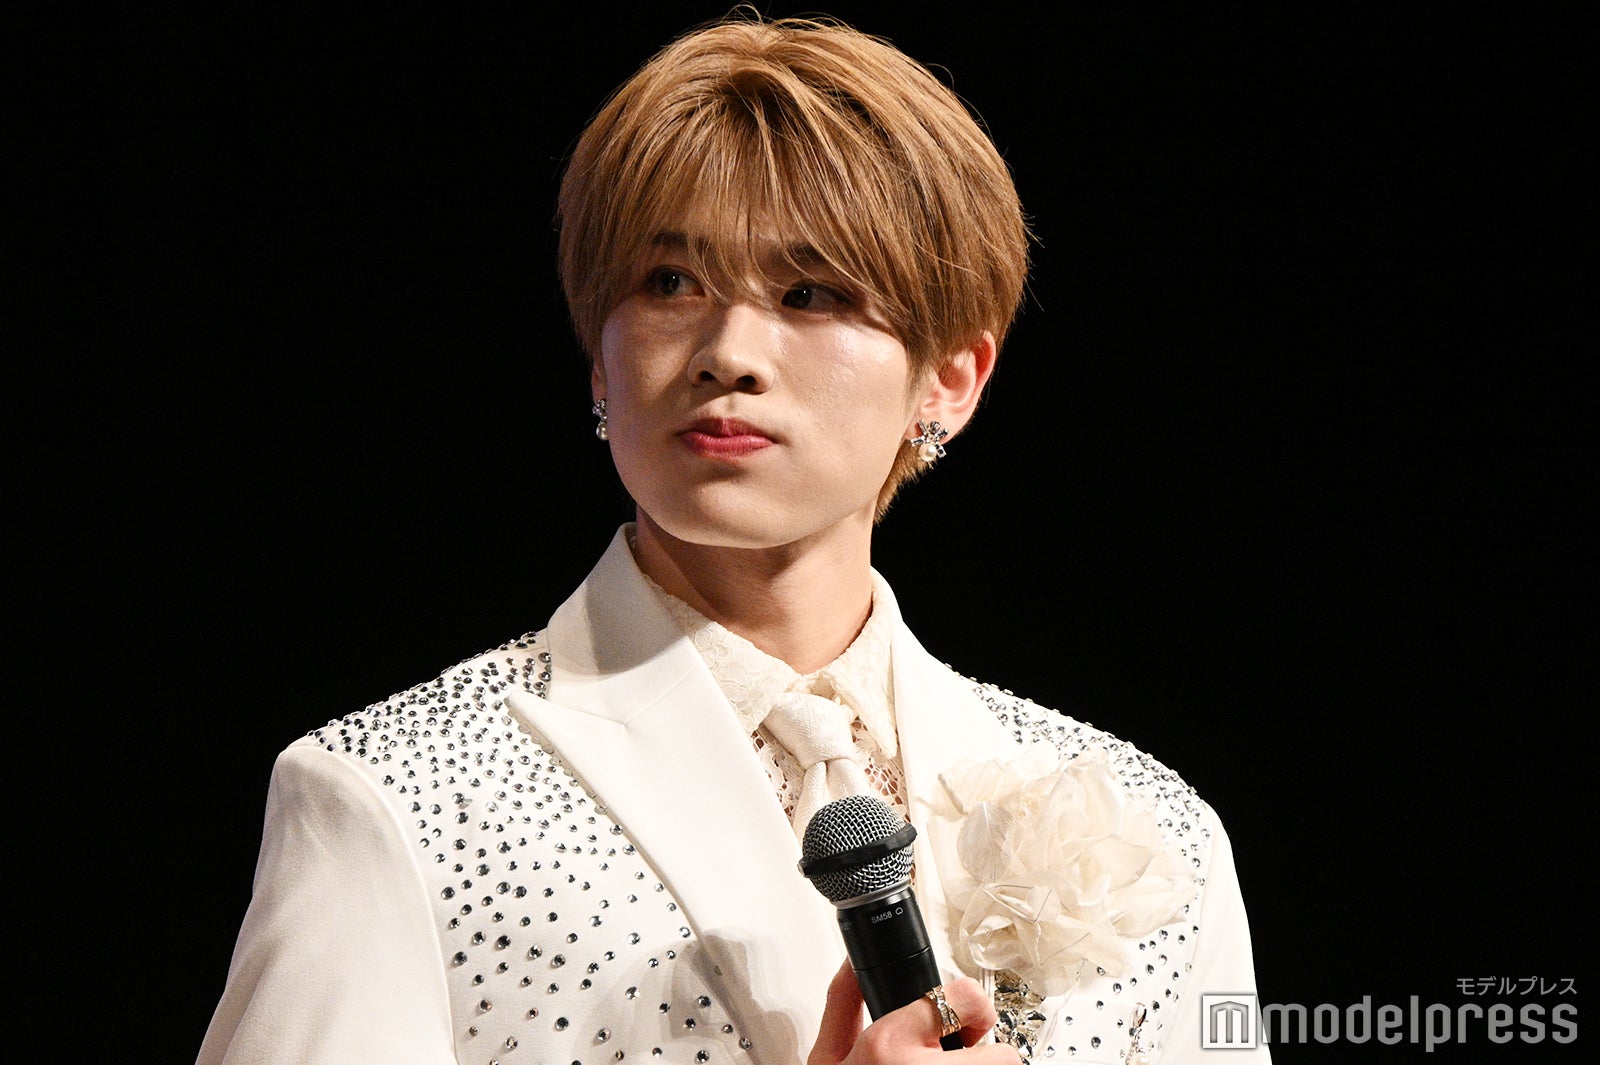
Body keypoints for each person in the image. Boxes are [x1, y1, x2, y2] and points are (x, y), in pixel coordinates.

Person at [197, 13, 1269, 1065]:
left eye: (810, 293)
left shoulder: (1148, 830)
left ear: (949, 380)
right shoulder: (398, 792)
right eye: (670, 284)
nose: (727, 351)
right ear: (599, 360)